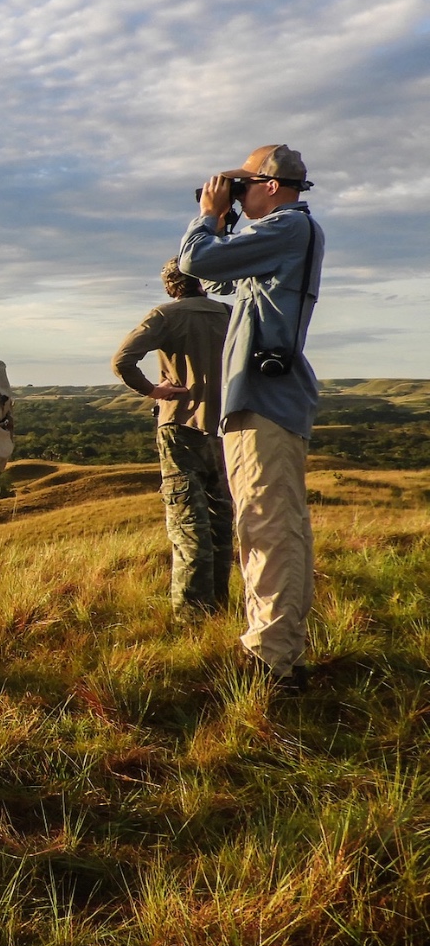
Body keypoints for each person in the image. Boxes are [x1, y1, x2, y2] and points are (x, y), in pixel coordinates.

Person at [179, 144, 323, 692]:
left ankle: (274, 661)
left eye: (243, 187)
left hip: (266, 398)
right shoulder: (280, 238)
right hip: (260, 398)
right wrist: (229, 220)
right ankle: (275, 647)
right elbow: (215, 283)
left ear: (269, 184)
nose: (235, 195)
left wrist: (210, 218)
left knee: (268, 526)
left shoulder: (289, 226)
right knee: (270, 523)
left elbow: (196, 262)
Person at [112, 259, 234, 621]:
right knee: (220, 523)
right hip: (226, 429)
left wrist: (154, 391)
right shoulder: (229, 314)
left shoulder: (166, 315)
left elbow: (122, 360)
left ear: (170, 285)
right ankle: (220, 607)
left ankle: (192, 617)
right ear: (203, 282)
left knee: (187, 525)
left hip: (180, 428)